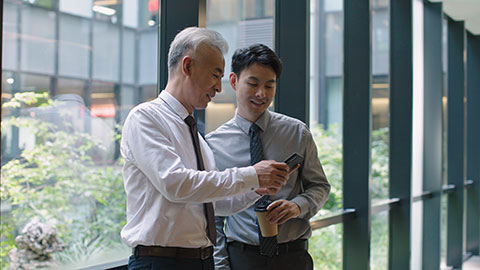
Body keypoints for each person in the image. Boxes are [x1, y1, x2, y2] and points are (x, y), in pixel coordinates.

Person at [120, 28, 294, 270]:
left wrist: (257, 188)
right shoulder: (146, 118)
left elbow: (212, 206)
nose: (219, 88)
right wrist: (251, 174)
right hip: (160, 262)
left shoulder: (197, 137)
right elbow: (175, 184)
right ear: (188, 66)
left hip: (200, 260)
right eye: (215, 75)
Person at [206, 44, 331, 270]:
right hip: (242, 258)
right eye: (253, 84)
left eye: (269, 85)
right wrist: (221, 265)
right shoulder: (214, 145)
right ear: (234, 82)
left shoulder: (297, 133)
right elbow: (213, 215)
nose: (261, 94)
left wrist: (298, 206)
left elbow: (320, 186)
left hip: (293, 256)